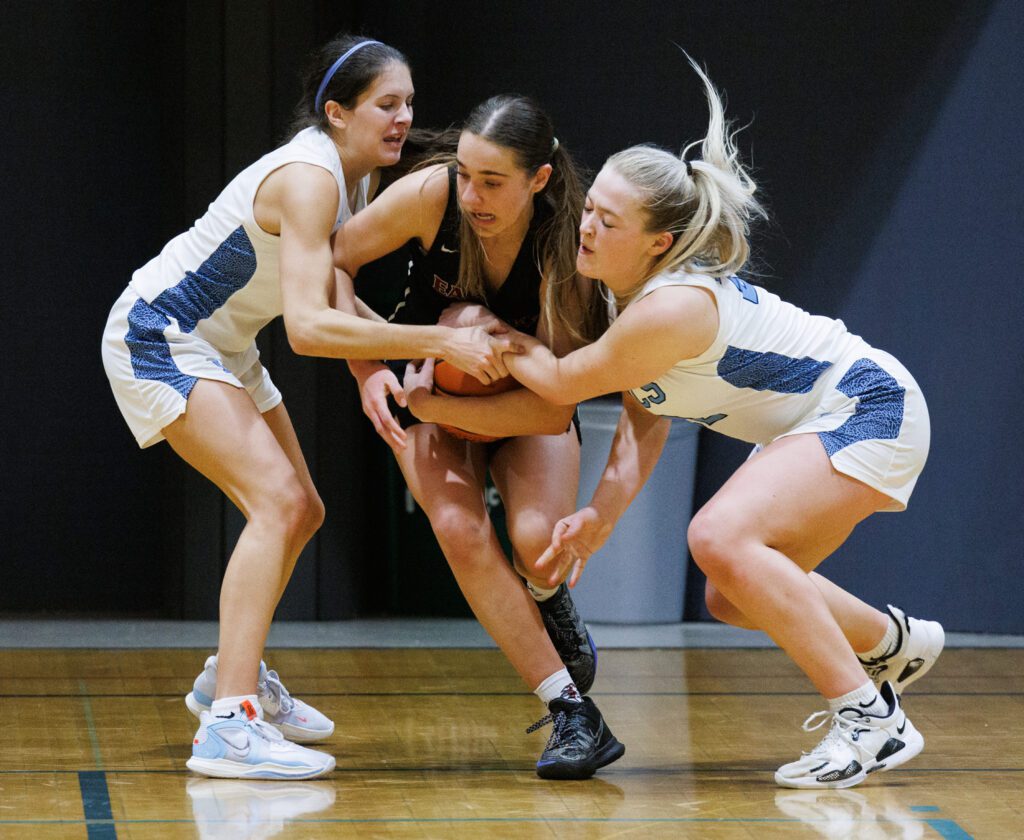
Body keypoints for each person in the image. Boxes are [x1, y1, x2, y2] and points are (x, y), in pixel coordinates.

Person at [444, 56, 945, 790]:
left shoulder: (669, 307)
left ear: (658, 242)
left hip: (871, 407)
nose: (586, 227)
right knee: (730, 593)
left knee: (718, 535)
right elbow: (645, 422)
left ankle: (871, 719)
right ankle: (888, 643)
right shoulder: (629, 298)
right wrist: (599, 518)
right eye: (591, 209)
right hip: (831, 416)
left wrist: (464, 344)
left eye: (607, 221)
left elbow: (559, 382)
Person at [100, 33, 515, 781]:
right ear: (337, 111)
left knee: (304, 509)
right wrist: (439, 344)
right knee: (279, 506)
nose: (402, 117)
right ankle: (229, 723)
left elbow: (333, 287)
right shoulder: (311, 177)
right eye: (386, 103)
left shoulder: (350, 178)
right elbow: (308, 328)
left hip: (223, 346)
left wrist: (367, 374)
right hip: (161, 335)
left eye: (409, 103)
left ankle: (231, 672)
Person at [334, 95, 624, 779]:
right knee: (460, 531)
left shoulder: (566, 251)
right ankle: (573, 713)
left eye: (492, 182)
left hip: (523, 408)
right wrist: (368, 367)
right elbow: (330, 263)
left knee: (536, 545)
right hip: (432, 394)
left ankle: (551, 601)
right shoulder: (433, 196)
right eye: (465, 173)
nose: (471, 194)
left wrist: (436, 410)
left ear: (540, 180)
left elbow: (552, 410)